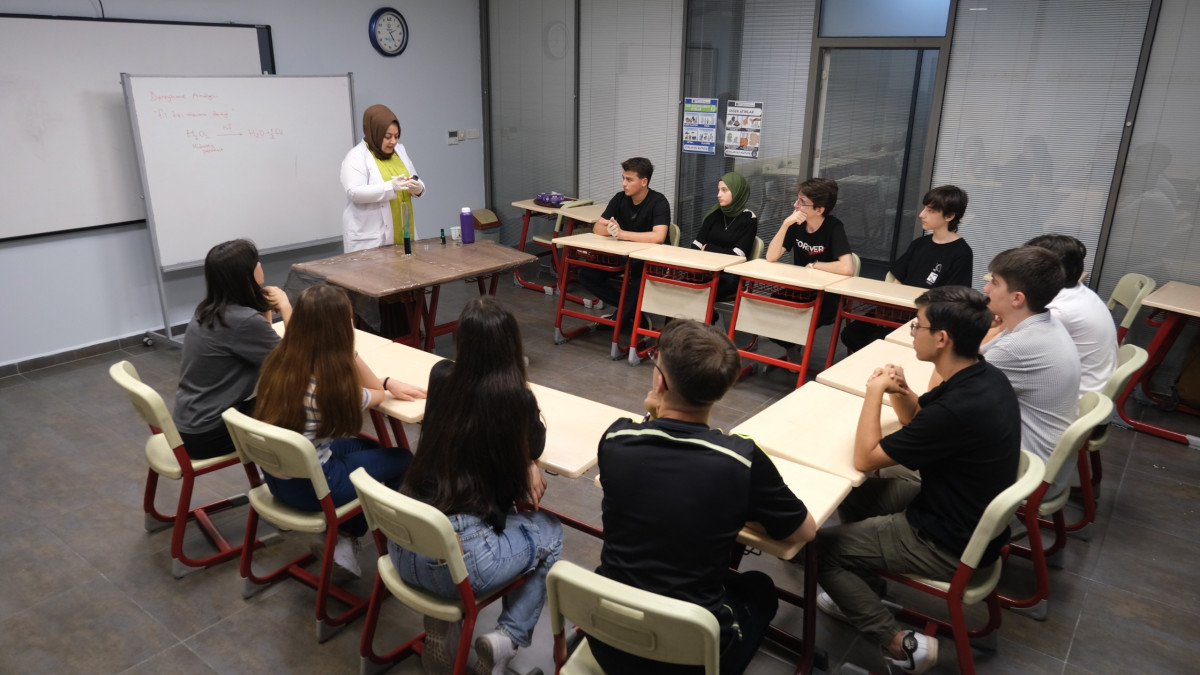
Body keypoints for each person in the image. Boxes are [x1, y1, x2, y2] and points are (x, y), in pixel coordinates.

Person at [592, 319, 816, 674]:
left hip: (606, 639)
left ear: (660, 383)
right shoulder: (741, 460)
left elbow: (654, 478)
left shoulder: (615, 439)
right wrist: (742, 508)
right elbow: (804, 531)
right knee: (759, 587)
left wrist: (653, 414)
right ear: (722, 390)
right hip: (692, 659)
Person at [817, 286, 1021, 675]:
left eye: (917, 325)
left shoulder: (957, 407)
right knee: (853, 493)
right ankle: (863, 586)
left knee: (821, 549)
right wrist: (901, 390)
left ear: (942, 339)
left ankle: (900, 645)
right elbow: (917, 419)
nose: (912, 332)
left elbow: (865, 457)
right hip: (961, 513)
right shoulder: (983, 376)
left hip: (945, 540)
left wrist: (875, 392)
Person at [388, 297, 562, 675]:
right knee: (550, 531)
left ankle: (443, 622)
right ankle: (506, 639)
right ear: (512, 345)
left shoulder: (441, 376)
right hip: (459, 561)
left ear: (461, 341)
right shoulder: (515, 398)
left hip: (404, 544)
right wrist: (528, 460)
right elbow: (535, 444)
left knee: (487, 514)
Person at [254, 285, 426, 577]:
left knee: (368, 446)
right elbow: (375, 392)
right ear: (342, 330)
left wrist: (385, 380)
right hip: (314, 489)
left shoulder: (278, 361)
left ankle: (342, 537)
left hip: (278, 478)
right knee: (403, 459)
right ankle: (378, 541)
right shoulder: (332, 390)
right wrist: (352, 352)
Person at [173, 239, 291, 460]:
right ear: (247, 274)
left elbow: (265, 352)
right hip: (211, 434)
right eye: (256, 261)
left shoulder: (207, 311)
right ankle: (297, 471)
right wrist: (285, 306)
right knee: (303, 400)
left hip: (190, 425)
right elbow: (297, 361)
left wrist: (263, 306)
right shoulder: (243, 321)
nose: (260, 264)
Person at [981, 246, 1080, 498]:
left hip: (1027, 472)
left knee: (914, 450)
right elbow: (980, 355)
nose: (986, 288)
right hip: (1042, 460)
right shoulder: (1043, 322)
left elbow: (948, 386)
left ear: (1017, 298)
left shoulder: (1017, 347)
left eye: (994, 282)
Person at [841, 185, 974, 353]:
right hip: (899, 311)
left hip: (927, 318)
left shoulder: (961, 253)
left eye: (930, 211)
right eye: (924, 208)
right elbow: (897, 279)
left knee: (877, 341)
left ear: (949, 216)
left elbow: (955, 301)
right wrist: (888, 309)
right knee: (851, 334)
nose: (922, 214)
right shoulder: (919, 244)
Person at [579, 157, 671, 332]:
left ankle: (619, 320)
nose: (624, 184)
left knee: (638, 279)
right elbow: (598, 227)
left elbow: (659, 236)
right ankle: (631, 313)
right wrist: (611, 230)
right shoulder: (620, 198)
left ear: (644, 182)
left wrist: (621, 234)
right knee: (586, 274)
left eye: (629, 179)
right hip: (623, 257)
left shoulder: (659, 201)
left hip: (652, 261)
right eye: (623, 178)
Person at [764, 177, 853, 359]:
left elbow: (847, 267)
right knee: (768, 312)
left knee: (802, 318)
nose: (795, 205)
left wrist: (815, 265)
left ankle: (794, 348)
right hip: (801, 289)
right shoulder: (796, 224)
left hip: (827, 296)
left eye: (802, 202)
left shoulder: (833, 227)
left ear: (819, 209)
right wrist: (785, 224)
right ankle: (792, 346)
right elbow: (771, 256)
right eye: (797, 199)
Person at [1025, 234, 1118, 397]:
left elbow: (1012, 349)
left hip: (1077, 397)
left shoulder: (1058, 310)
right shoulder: (1079, 291)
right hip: (1092, 387)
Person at [340, 104, 427, 252]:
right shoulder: (356, 156)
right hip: (371, 240)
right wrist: (390, 187)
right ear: (374, 132)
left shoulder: (399, 151)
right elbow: (354, 192)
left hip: (403, 232)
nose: (393, 141)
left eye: (396, 136)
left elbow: (415, 177)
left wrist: (418, 188)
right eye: (387, 137)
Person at [691, 171, 758, 301]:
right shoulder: (714, 213)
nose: (718, 195)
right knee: (680, 285)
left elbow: (737, 256)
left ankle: (708, 313)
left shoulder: (749, 218)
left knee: (701, 293)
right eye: (718, 190)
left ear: (737, 192)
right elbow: (696, 245)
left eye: (724, 190)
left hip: (729, 275)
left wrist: (708, 248)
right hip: (705, 270)